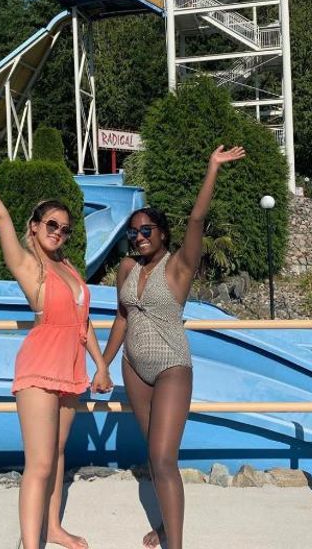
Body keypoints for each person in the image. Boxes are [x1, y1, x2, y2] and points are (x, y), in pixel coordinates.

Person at [0, 133, 111, 549]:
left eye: (65, 229)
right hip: (38, 367)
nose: (59, 233)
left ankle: (52, 528)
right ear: (34, 227)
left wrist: (101, 365)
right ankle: (30, 544)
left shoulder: (69, 267)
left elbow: (82, 322)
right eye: (51, 225)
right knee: (39, 463)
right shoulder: (28, 266)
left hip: (72, 369)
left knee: (59, 455)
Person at [102, 144, 245, 549]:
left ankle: (175, 546)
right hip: (133, 366)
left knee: (164, 459)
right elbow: (122, 316)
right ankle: (165, 525)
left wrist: (212, 167)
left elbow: (197, 218)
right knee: (153, 455)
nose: (139, 237)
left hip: (171, 367)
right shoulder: (128, 268)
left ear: (162, 234)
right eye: (133, 231)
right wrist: (104, 366)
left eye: (147, 230)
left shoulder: (179, 266)